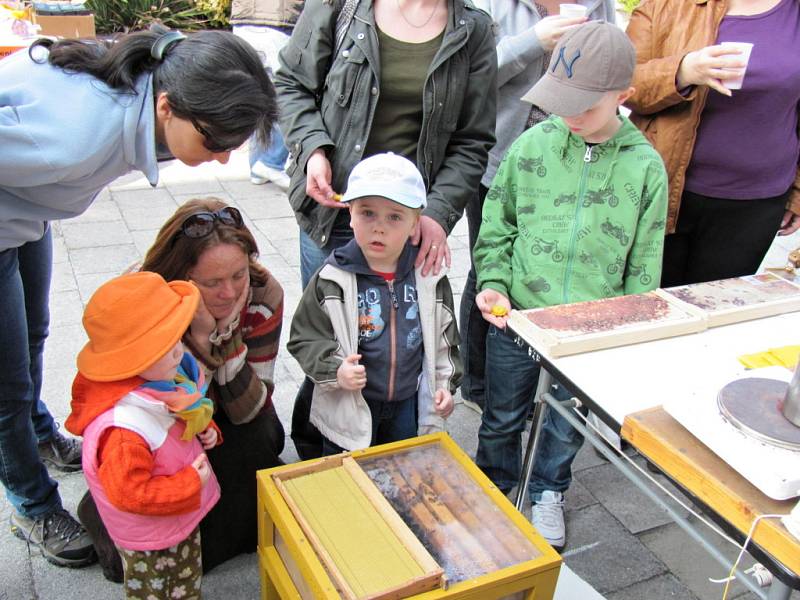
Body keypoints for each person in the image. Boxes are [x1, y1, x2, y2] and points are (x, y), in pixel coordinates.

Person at [0, 26, 275, 568]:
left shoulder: (155, 82)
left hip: (25, 218)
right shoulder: (73, 140)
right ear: (168, 107)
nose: (222, 161)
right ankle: (33, 504)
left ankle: (43, 433)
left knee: (33, 338)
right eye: (216, 142)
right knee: (4, 386)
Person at [473, 22, 668, 550]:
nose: (570, 116)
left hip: (589, 332)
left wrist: (627, 326)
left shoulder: (646, 166)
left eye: (585, 106)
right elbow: (498, 224)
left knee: (566, 422)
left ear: (623, 97)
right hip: (517, 318)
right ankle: (493, 485)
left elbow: (645, 259)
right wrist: (493, 282)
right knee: (501, 416)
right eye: (562, 103)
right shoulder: (532, 146)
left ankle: (548, 491)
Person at [275, 0, 496, 458]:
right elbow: (292, 84)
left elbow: (472, 140)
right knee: (339, 336)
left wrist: (435, 212)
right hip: (337, 208)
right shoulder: (342, 6)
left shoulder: (472, 28)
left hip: (409, 221)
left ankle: (393, 448)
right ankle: (322, 449)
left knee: (403, 335)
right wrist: (314, 148)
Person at [79, 198, 286, 581]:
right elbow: (157, 407)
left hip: (232, 401)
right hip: (159, 412)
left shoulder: (263, 292)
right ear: (182, 274)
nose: (228, 292)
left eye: (239, 275)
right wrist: (203, 339)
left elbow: (250, 407)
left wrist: (227, 339)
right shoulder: (146, 296)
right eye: (211, 283)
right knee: (168, 465)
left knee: (262, 436)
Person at [461, 0, 611, 412]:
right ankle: (476, 383)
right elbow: (467, 74)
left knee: (541, 269)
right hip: (497, 158)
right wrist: (533, 42)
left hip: (567, 167)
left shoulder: (599, 5)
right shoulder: (492, 5)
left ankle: (520, 384)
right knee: (490, 270)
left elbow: (609, 65)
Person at [287, 153, 462, 453]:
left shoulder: (428, 279)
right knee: (348, 477)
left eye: (394, 216)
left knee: (401, 469)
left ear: (414, 224)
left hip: (407, 403)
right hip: (350, 405)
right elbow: (305, 338)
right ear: (350, 214)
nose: (379, 227)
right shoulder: (332, 280)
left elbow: (446, 340)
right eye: (367, 213)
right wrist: (335, 370)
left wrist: (445, 386)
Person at [66, 272, 221, 599]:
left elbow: (179, 421)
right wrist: (190, 485)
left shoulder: (156, 385)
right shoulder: (123, 429)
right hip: (153, 539)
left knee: (185, 579)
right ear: (130, 359)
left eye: (176, 339)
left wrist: (205, 430)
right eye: (164, 347)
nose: (179, 352)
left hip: (174, 522)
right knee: (157, 590)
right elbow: (130, 493)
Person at [625, 0, 800, 287]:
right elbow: (621, 84)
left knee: (712, 308)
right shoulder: (666, 6)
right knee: (649, 307)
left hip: (754, 204)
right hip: (663, 190)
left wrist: (798, 191)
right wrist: (682, 72)